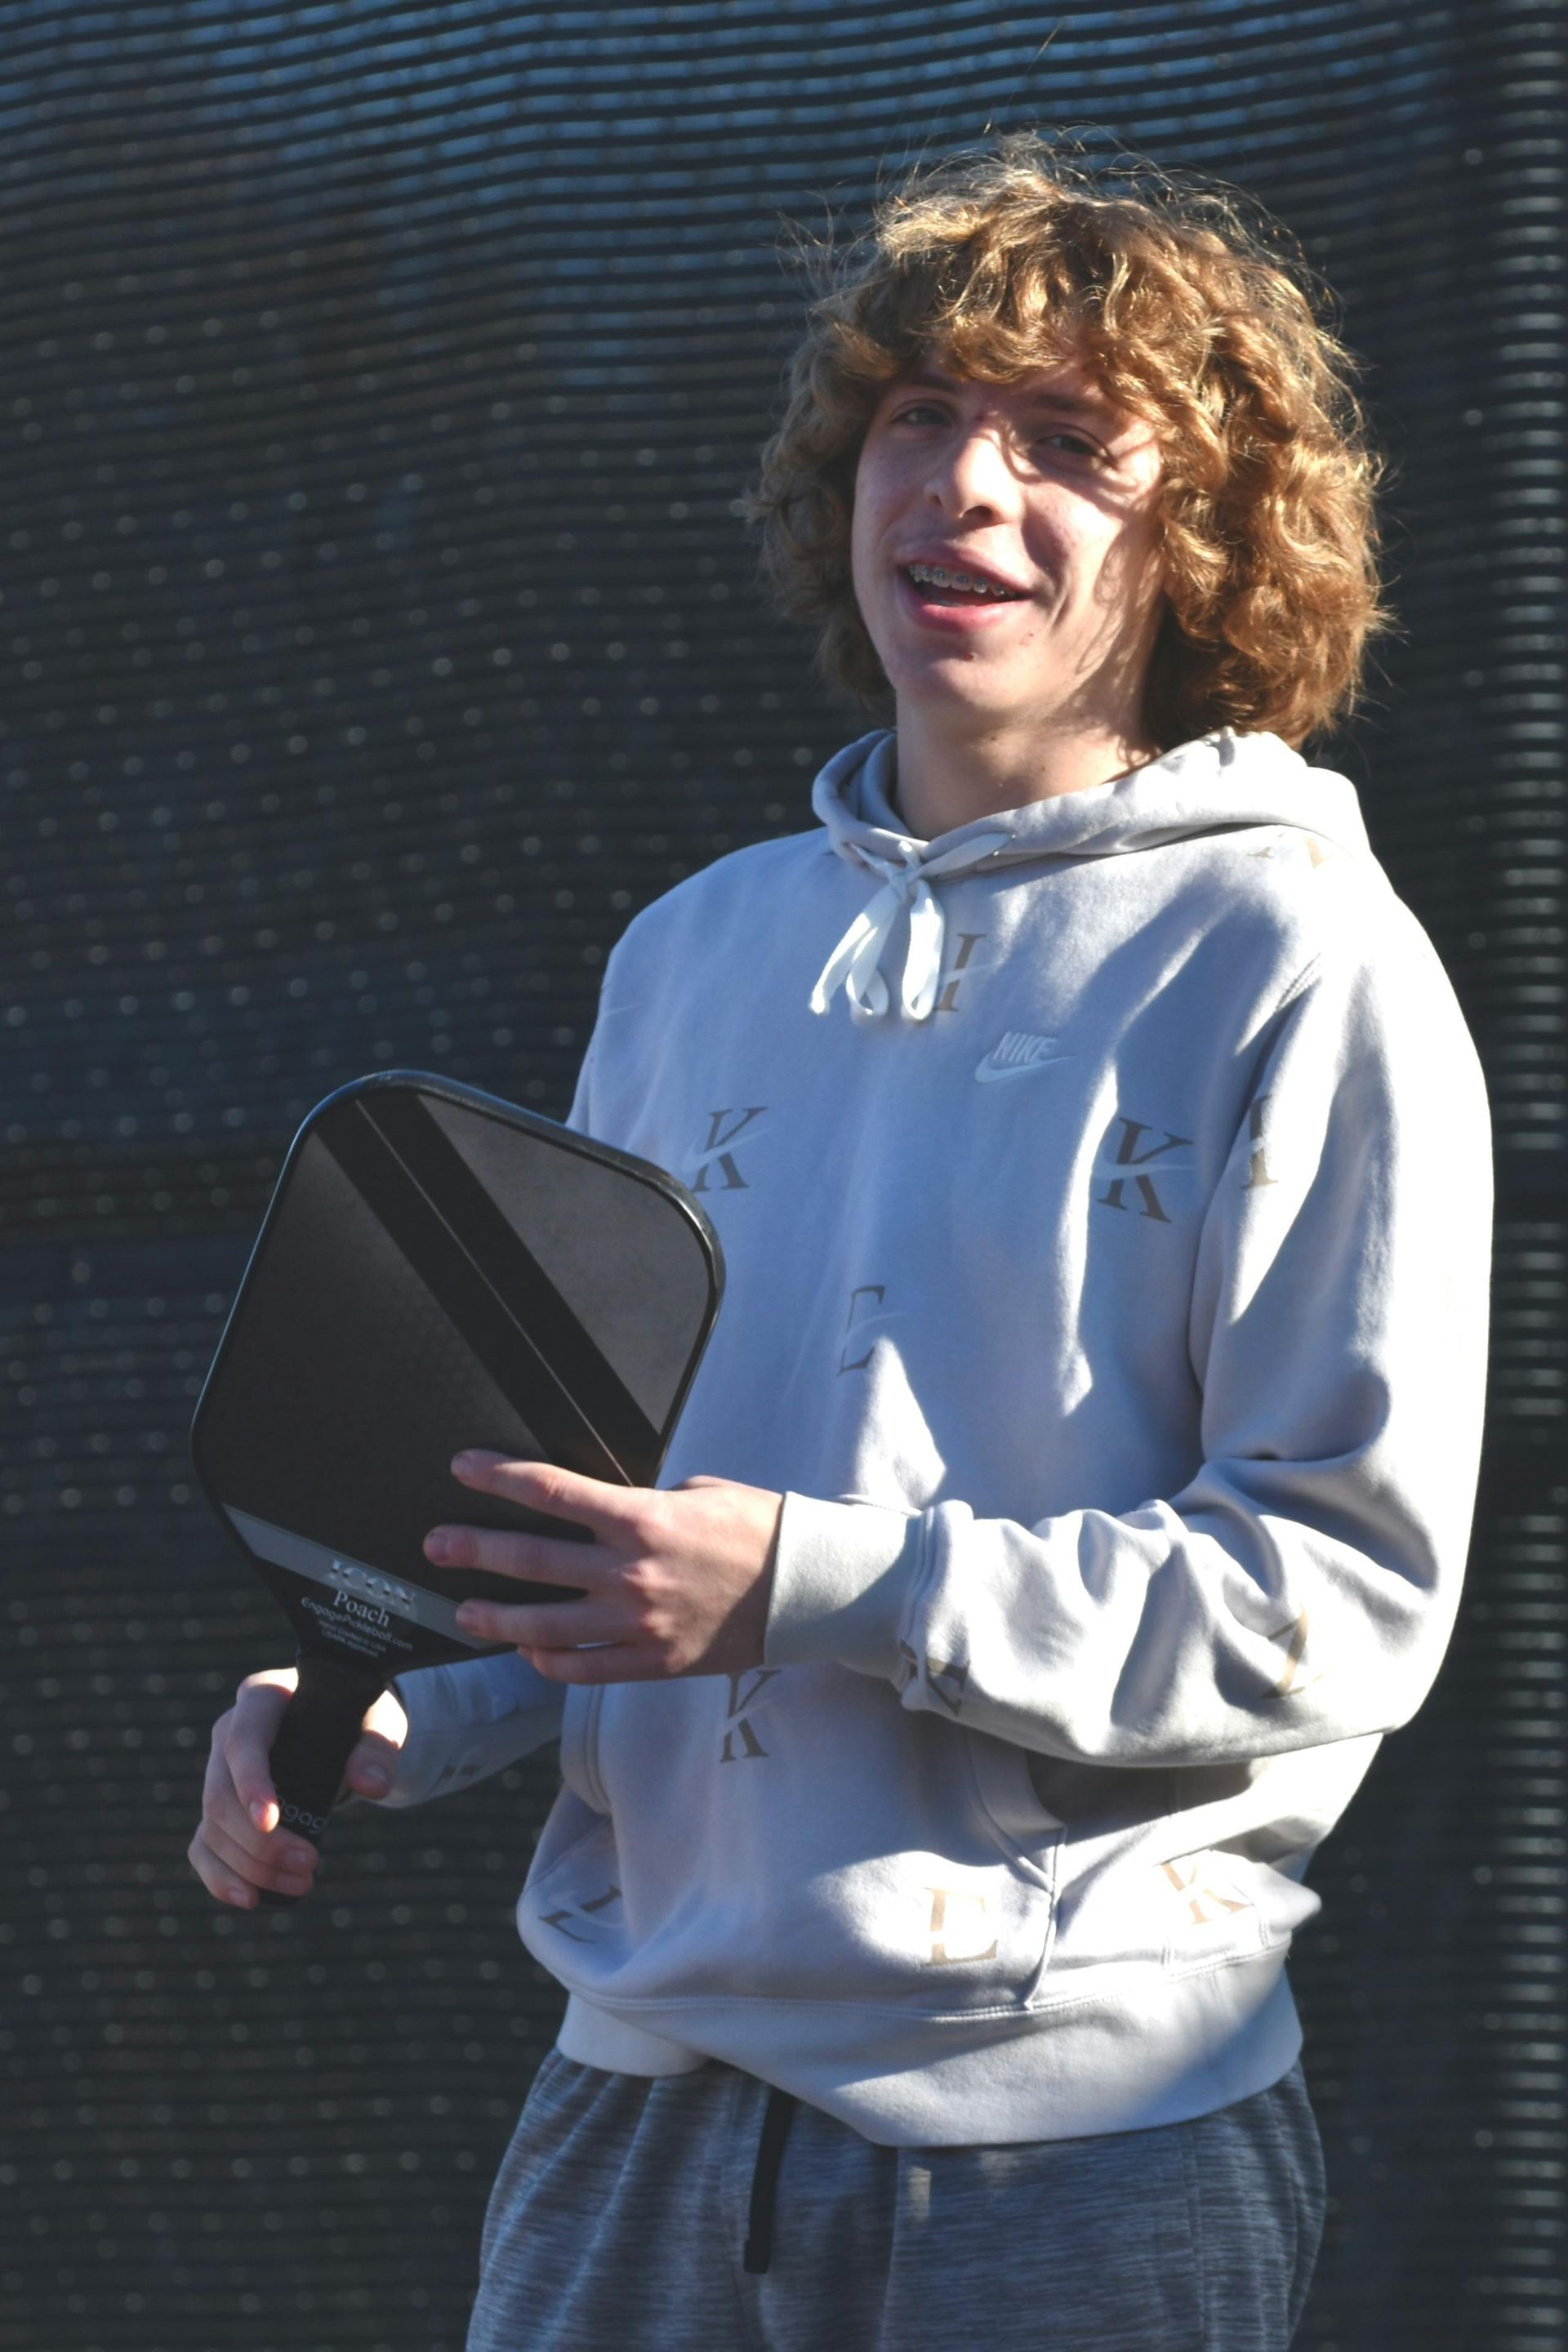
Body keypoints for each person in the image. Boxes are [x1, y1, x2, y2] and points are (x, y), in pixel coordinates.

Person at [189, 135, 1493, 2350]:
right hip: (631, 2121)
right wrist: (416, 1698)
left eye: (1069, 441)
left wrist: (810, 1579)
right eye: (921, 418)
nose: (968, 490)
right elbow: (616, 1524)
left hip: (1084, 2152)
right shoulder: (695, 953)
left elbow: (1340, 1601)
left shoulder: (1306, 955)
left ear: (1205, 534)